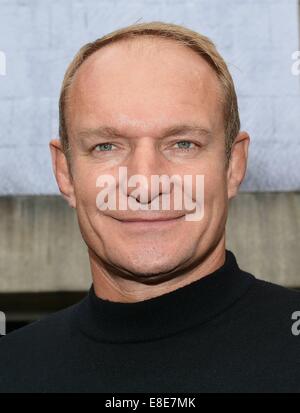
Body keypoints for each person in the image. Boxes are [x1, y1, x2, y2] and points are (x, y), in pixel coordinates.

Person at [0, 21, 299, 393]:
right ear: (65, 173)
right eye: (106, 146)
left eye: (183, 144)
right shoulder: (10, 369)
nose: (144, 183)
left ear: (233, 166)